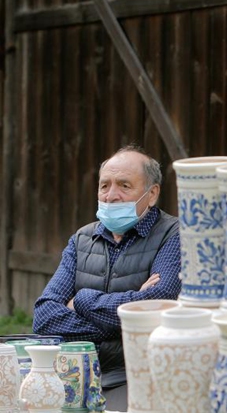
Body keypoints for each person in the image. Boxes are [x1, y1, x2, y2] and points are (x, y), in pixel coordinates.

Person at [33, 145, 181, 411]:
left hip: (137, 377)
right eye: (105, 186)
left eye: (124, 185)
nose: (112, 196)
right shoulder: (82, 239)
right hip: (74, 373)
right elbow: (44, 317)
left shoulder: (173, 235)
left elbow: (157, 305)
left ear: (152, 194)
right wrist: (126, 316)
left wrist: (82, 301)